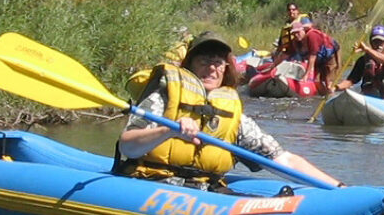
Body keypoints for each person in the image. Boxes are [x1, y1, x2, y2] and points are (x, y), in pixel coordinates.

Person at [116, 31, 344, 191]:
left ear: (226, 69)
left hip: (204, 192)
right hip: (152, 184)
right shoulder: (163, 98)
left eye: (217, 63)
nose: (211, 68)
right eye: (204, 61)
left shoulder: (232, 114)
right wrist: (168, 131)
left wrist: (338, 188)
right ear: (190, 65)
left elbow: (281, 159)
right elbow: (128, 145)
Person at [333, 25, 384, 102]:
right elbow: (350, 81)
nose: (378, 45)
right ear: (371, 42)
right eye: (375, 41)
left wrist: (366, 49)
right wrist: (335, 87)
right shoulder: (363, 60)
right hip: (371, 96)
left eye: (381, 42)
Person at [275, 17, 340, 95]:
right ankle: (323, 97)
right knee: (316, 81)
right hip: (319, 60)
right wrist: (272, 66)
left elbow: (312, 57)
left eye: (298, 32)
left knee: (328, 80)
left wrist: (306, 75)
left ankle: (331, 95)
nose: (296, 35)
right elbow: (285, 55)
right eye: (294, 33)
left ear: (303, 30)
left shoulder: (312, 36)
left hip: (330, 55)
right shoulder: (295, 42)